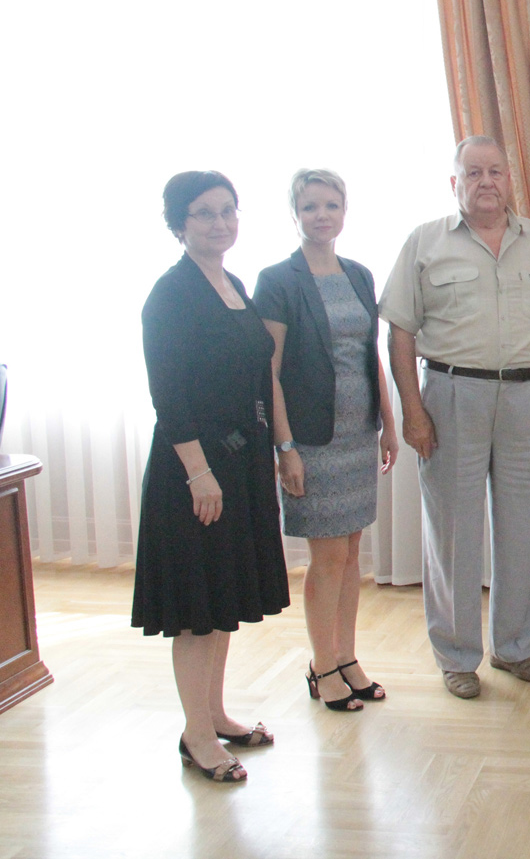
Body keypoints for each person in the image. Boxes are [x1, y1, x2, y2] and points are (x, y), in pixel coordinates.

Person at [380, 136, 530, 700]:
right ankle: (457, 656)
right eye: (474, 172)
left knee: (519, 525)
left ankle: (514, 649)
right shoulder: (425, 242)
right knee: (454, 530)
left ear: (510, 178)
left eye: (496, 172)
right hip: (452, 396)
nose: (486, 182)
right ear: (454, 182)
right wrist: (413, 411)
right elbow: (400, 333)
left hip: (526, 398)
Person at [132, 171, 289, 783]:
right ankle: (196, 735)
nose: (220, 223)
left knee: (222, 597)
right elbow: (168, 396)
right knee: (197, 607)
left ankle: (216, 713)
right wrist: (199, 473)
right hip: (194, 470)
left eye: (228, 211)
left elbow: (256, 374)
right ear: (178, 225)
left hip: (240, 462)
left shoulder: (233, 283)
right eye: (204, 214)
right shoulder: (169, 296)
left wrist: (276, 450)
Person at [253, 169, 398, 710]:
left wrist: (387, 422)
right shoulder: (278, 280)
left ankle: (347, 657)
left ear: (344, 212)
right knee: (327, 558)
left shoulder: (359, 275)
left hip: (359, 433)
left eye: (331, 205)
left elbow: (371, 354)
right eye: (310, 206)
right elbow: (269, 369)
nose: (321, 215)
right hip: (312, 438)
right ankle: (321, 666)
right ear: (295, 214)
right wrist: (284, 447)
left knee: (352, 550)